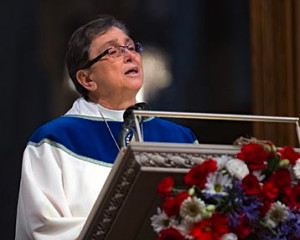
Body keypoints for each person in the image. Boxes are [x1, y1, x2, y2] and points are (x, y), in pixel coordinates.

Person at [15, 14, 198, 240]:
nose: (130, 55)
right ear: (87, 79)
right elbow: (44, 229)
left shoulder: (180, 138)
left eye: (131, 47)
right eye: (113, 51)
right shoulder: (54, 142)